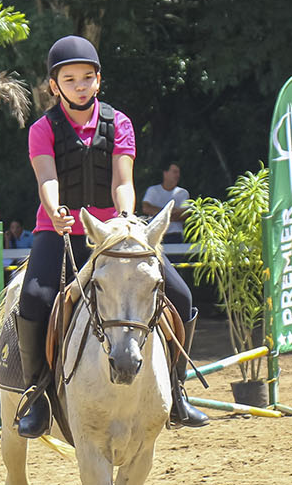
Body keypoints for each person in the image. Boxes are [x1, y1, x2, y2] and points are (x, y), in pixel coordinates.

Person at [12, 35, 207, 437]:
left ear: (98, 81)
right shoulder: (41, 129)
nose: (80, 85)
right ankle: (37, 395)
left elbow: (123, 180)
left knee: (182, 295)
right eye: (70, 79)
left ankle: (177, 387)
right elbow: (48, 178)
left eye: (87, 77)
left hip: (114, 234)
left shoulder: (119, 123)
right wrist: (55, 211)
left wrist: (125, 218)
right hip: (60, 229)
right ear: (55, 85)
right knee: (34, 297)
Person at [141, 162, 190, 241]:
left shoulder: (183, 193)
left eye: (178, 172)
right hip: (154, 234)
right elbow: (146, 208)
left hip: (175, 235)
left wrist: (158, 215)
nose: (177, 175)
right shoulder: (153, 190)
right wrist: (172, 212)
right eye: (174, 172)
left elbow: (185, 214)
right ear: (165, 173)